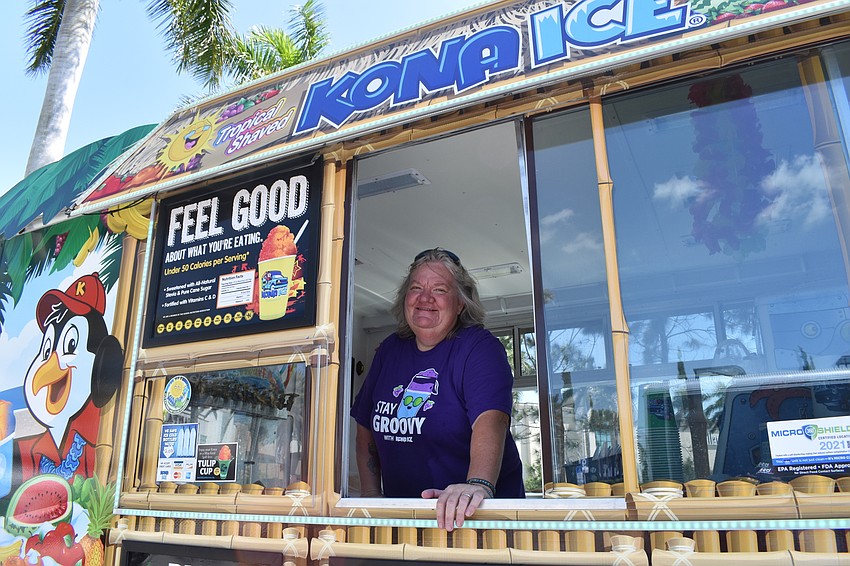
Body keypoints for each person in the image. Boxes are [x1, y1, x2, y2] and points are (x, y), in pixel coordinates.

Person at [351, 248, 525, 531]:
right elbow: (365, 425)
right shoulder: (389, 351)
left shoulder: (479, 348)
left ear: (460, 304)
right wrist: (372, 496)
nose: (425, 298)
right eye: (416, 288)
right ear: (405, 298)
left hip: (475, 523)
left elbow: (491, 420)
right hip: (406, 524)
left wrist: (477, 485)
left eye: (440, 289)